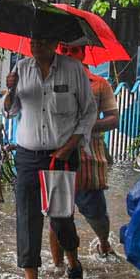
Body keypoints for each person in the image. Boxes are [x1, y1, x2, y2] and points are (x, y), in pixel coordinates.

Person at [4, 37, 98, 279]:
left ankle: (73, 264)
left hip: (62, 156)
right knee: (27, 219)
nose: (36, 47)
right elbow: (10, 111)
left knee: (60, 219)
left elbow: (89, 112)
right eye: (33, 42)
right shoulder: (21, 69)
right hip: (27, 156)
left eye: (42, 42)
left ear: (54, 43)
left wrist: (71, 145)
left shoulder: (73, 69)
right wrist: (10, 91)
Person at [48, 44, 120, 264]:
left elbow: (113, 118)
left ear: (83, 53)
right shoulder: (49, 83)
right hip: (58, 159)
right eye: (64, 51)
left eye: (74, 51)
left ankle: (103, 242)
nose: (69, 55)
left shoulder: (99, 84)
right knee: (57, 217)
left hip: (88, 161)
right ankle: (59, 266)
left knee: (96, 213)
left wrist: (85, 126)